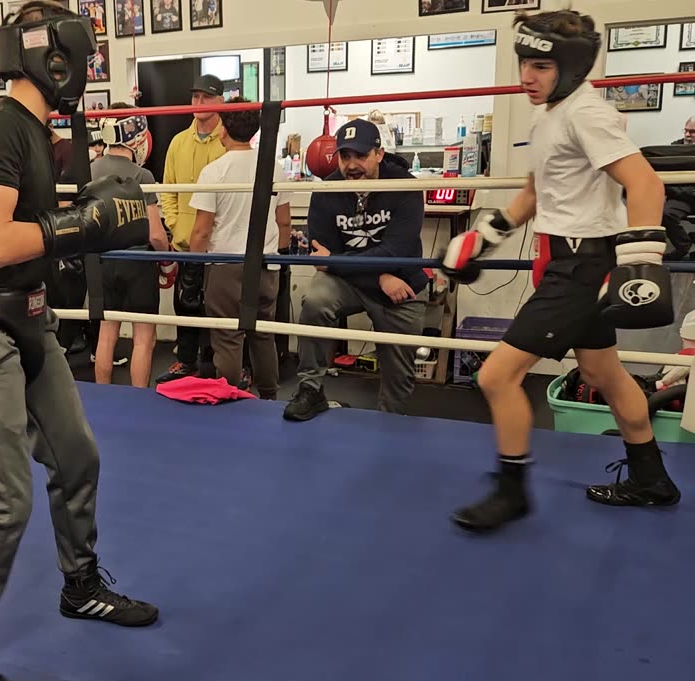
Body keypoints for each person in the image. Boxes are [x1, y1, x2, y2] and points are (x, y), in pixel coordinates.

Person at [0, 2, 158, 681]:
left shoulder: (36, 131)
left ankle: (80, 584)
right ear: (51, 56)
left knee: (77, 456)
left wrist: (77, 220)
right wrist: (79, 226)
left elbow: (30, 238)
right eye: (81, 57)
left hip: (30, 320)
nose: (85, 72)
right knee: (6, 503)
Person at [443, 9, 681, 532]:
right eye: (524, 62)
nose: (527, 75)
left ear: (569, 68)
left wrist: (640, 260)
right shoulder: (550, 112)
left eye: (541, 66)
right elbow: (536, 191)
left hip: (581, 267)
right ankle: (651, 477)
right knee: (602, 373)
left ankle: (512, 491)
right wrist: (486, 234)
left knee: (497, 375)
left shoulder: (585, 113)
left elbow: (646, 184)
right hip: (565, 259)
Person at [284, 119, 428, 420]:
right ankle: (311, 389)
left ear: (379, 153)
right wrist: (379, 274)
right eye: (344, 156)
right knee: (315, 300)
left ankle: (389, 421)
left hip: (400, 284)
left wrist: (346, 262)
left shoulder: (405, 186)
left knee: (398, 380)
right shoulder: (328, 191)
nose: (351, 165)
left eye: (360, 156)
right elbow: (320, 256)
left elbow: (396, 251)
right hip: (366, 280)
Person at [187, 99, 293, 399]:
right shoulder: (273, 166)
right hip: (266, 264)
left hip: (226, 265)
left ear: (223, 128)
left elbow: (201, 230)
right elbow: (284, 222)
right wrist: (279, 262)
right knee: (262, 335)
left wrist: (192, 269)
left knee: (228, 338)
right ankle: (270, 398)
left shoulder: (214, 171)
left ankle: (232, 401)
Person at [155, 74, 227, 384]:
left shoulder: (230, 141)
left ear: (220, 102)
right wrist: (173, 225)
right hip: (185, 242)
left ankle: (214, 363)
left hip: (218, 244)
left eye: (205, 98)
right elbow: (168, 189)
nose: (198, 103)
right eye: (195, 97)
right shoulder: (178, 142)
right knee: (185, 303)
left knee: (218, 308)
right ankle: (186, 361)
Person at [91, 104, 169, 388]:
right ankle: (138, 402)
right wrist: (167, 261)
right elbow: (156, 234)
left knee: (107, 332)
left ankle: (102, 398)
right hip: (137, 262)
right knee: (144, 337)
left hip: (101, 261)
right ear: (135, 134)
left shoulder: (90, 169)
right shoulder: (142, 176)